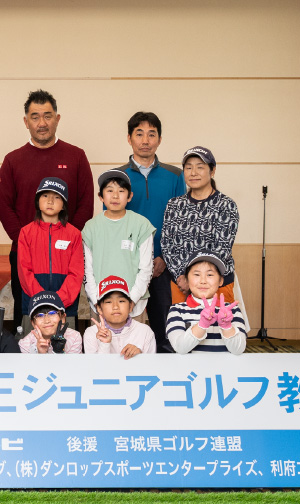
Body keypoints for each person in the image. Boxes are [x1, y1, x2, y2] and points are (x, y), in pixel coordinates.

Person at [0, 89, 94, 327]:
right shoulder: (13, 160)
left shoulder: (76, 156)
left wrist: (67, 237)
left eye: (48, 116)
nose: (42, 123)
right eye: (35, 117)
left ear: (57, 119)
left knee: (65, 320)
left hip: (66, 254)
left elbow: (86, 203)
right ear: (26, 121)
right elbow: (4, 206)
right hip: (25, 254)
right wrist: (26, 241)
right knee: (28, 319)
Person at [114, 112, 186, 352]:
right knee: (124, 328)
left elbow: (179, 222)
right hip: (128, 264)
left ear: (160, 139)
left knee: (165, 329)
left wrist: (163, 257)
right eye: (139, 134)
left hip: (163, 266)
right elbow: (113, 222)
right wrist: (135, 260)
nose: (145, 140)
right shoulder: (118, 176)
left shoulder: (175, 175)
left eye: (151, 134)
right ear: (129, 138)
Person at [161, 146, 239, 304]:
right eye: (188, 167)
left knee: (217, 321)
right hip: (181, 283)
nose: (193, 173)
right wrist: (182, 277)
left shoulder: (226, 205)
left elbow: (221, 249)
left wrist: (197, 279)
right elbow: (167, 245)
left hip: (215, 284)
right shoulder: (174, 205)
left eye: (200, 167)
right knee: (181, 320)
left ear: (212, 171)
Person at [81, 170, 154, 321]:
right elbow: (87, 270)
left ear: (130, 196)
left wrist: (132, 299)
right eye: (109, 191)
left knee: (135, 337)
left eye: (121, 191)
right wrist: (96, 300)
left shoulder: (142, 225)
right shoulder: (90, 227)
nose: (115, 196)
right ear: (100, 196)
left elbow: (146, 268)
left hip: (134, 305)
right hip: (100, 304)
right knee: (101, 337)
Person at [17, 177, 83, 319]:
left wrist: (59, 300)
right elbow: (24, 271)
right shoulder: (26, 232)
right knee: (32, 335)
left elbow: (76, 273)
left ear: (64, 205)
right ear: (37, 201)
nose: (50, 201)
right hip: (33, 303)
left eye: (57, 197)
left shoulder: (74, 234)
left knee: (66, 334)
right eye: (45, 195)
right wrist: (42, 298)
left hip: (65, 306)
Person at [165, 252, 245, 354]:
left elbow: (239, 350)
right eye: (197, 274)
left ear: (221, 280)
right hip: (191, 365)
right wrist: (202, 325)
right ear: (186, 280)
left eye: (210, 275)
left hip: (224, 365)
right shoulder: (176, 310)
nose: (203, 281)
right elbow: (180, 348)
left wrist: (227, 326)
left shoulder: (232, 310)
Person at [83, 276, 155, 357]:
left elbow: (151, 364)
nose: (115, 307)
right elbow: (95, 365)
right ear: (99, 308)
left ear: (130, 306)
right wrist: (104, 344)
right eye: (108, 302)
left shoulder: (145, 332)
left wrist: (140, 356)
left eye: (121, 301)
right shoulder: (91, 333)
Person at [18, 291, 83, 354]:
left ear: (62, 318)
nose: (47, 321)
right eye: (39, 316)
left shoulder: (74, 337)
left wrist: (58, 352)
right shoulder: (25, 344)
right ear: (33, 323)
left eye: (52, 313)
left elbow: (73, 362)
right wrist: (41, 354)